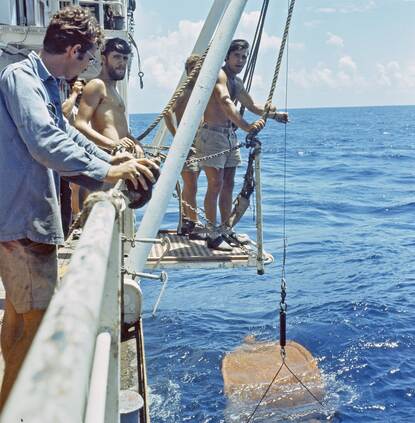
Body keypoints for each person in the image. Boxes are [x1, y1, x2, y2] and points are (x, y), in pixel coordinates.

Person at [0, 6, 158, 409]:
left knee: (19, 317)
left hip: (26, 219)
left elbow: (67, 135)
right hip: (21, 222)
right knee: (35, 327)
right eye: (88, 57)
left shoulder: (46, 82)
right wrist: (108, 171)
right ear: (74, 50)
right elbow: (44, 142)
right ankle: (14, 410)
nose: (89, 66)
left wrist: (113, 166)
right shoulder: (21, 79)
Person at [196, 39, 288, 250]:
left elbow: (252, 104)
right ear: (227, 56)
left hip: (229, 136)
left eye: (245, 56)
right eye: (237, 55)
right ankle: (212, 233)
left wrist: (275, 115)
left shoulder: (236, 81)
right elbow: (225, 103)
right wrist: (247, 126)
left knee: (228, 184)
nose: (241, 60)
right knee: (215, 184)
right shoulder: (219, 76)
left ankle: (225, 229)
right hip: (212, 136)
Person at [75, 37, 140, 154]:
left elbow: (119, 128)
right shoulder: (97, 85)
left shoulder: (114, 90)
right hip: (108, 159)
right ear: (104, 59)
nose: (122, 63)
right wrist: (114, 145)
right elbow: (80, 124)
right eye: (117, 57)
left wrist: (136, 143)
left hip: (122, 157)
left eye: (125, 58)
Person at [164, 54, 205, 239]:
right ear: (190, 71)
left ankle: (186, 222)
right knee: (191, 186)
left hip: (201, 145)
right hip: (187, 146)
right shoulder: (184, 91)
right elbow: (167, 113)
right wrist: (178, 136)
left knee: (192, 186)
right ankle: (193, 224)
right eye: (197, 69)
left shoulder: (202, 92)